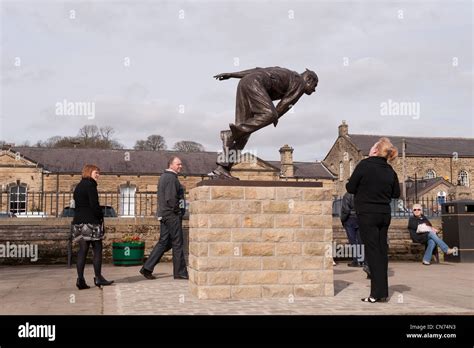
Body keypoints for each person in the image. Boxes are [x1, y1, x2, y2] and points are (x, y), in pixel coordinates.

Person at [213, 67, 318, 177]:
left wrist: (231, 74)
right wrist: (275, 116)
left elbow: (257, 69)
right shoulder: (299, 83)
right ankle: (230, 134)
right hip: (255, 83)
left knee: (244, 135)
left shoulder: (286, 74)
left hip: (244, 83)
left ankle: (223, 168)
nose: (314, 90)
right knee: (269, 114)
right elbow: (286, 103)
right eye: (314, 86)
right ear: (308, 79)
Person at [346, 137, 400, 303]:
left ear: (375, 151)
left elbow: (350, 187)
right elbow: (396, 194)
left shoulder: (364, 165)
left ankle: (376, 294)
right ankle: (382, 292)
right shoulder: (390, 170)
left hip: (367, 214)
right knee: (382, 250)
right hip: (384, 214)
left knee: (372, 251)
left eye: (372, 147)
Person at [140, 156, 188, 280]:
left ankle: (147, 268)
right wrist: (178, 212)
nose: (180, 166)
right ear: (171, 165)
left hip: (164, 215)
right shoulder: (171, 178)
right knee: (177, 243)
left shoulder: (164, 177)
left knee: (164, 242)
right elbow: (171, 199)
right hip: (172, 215)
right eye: (178, 164)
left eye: (181, 164)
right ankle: (180, 273)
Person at [72, 164, 114, 290]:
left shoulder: (79, 186)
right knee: (97, 249)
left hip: (78, 222)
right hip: (91, 222)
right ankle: (98, 277)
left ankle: (80, 279)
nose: (98, 175)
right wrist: (101, 216)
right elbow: (94, 205)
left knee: (82, 251)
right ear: (89, 172)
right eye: (96, 172)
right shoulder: (91, 185)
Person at [340, 192, 363, 267]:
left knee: (352, 241)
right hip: (360, 218)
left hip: (350, 219)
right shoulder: (361, 193)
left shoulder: (347, 195)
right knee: (361, 241)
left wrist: (343, 220)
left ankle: (355, 260)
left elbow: (345, 210)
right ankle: (361, 260)